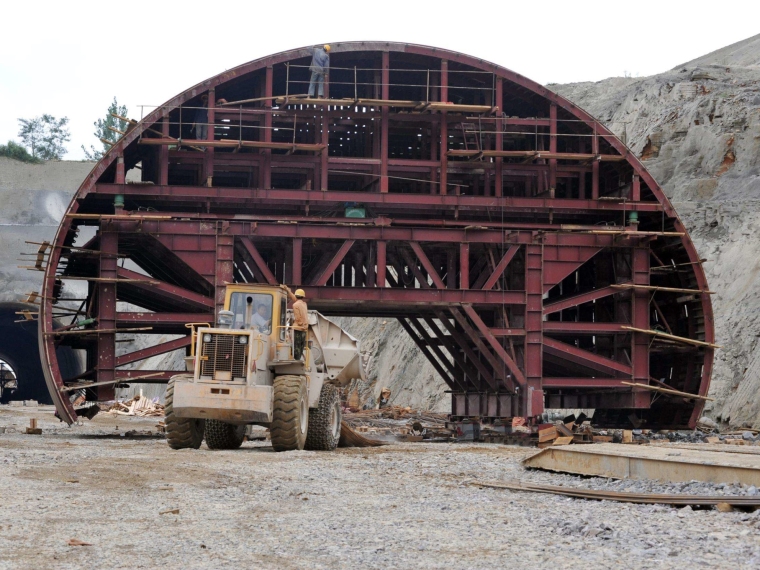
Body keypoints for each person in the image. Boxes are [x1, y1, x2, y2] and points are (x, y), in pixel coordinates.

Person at [286, 286, 308, 360]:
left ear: (296, 295)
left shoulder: (295, 305)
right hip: (304, 329)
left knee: (296, 346)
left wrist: (299, 323)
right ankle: (298, 358)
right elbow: (296, 300)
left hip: (298, 329)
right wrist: (289, 292)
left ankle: (296, 359)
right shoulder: (304, 304)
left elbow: (298, 318)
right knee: (301, 346)